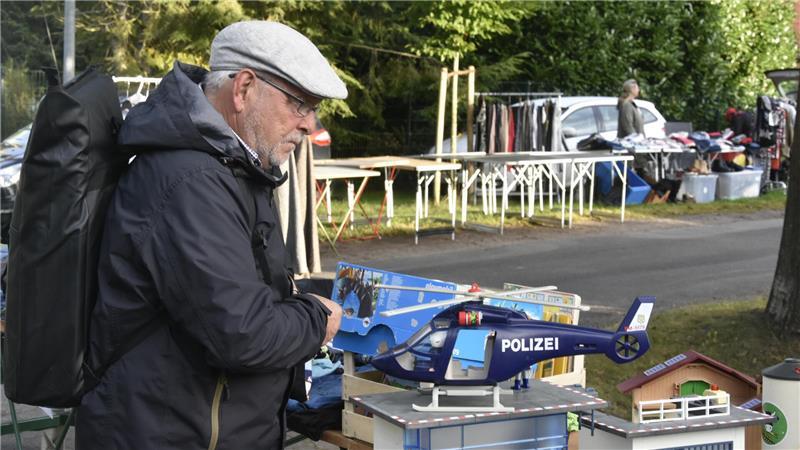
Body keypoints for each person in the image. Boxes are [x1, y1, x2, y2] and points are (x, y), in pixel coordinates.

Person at [76, 21, 344, 449]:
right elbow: (243, 335)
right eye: (299, 104)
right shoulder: (190, 181)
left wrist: (298, 293)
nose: (309, 125)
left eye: (313, 109)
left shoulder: (232, 164)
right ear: (243, 90)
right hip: (167, 434)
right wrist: (316, 318)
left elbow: (237, 289)